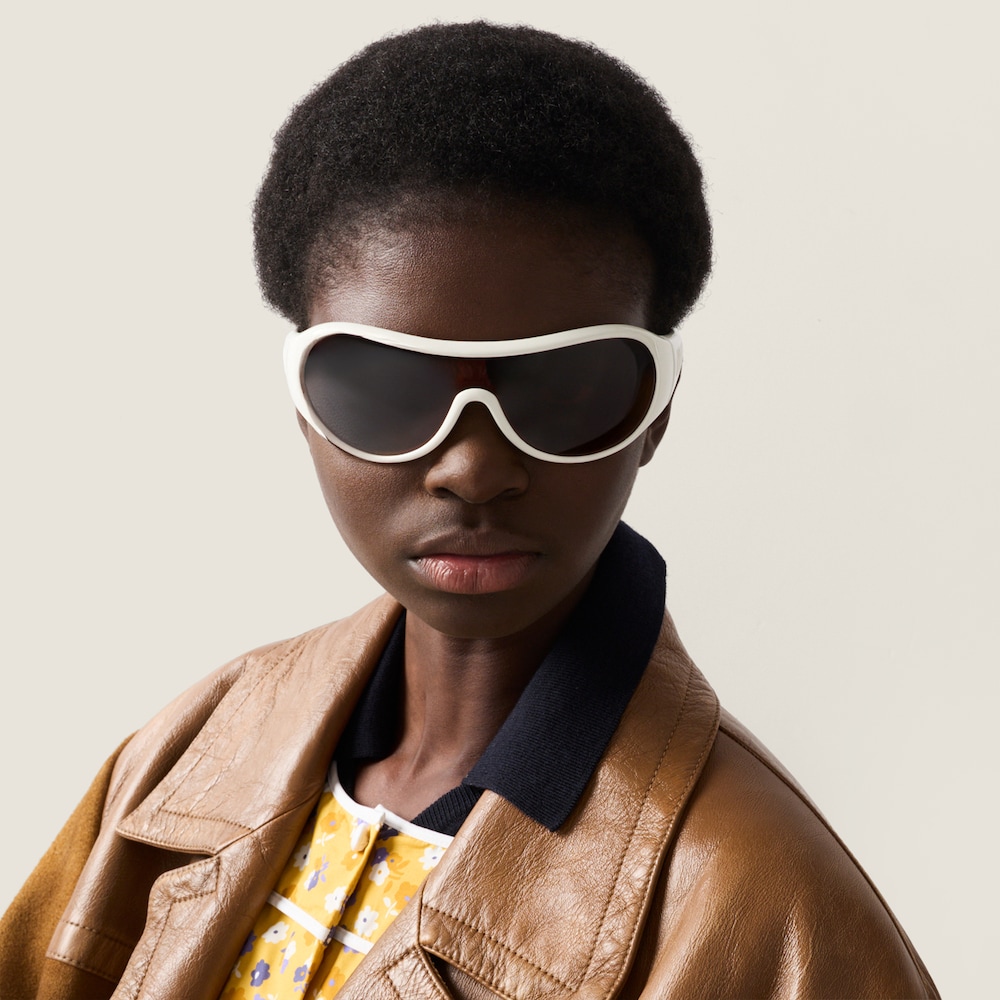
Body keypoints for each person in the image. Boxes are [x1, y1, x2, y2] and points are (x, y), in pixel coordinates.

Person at [0, 21, 938, 1000]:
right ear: (303, 404)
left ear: (653, 414)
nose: (474, 469)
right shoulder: (196, 752)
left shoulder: (768, 903)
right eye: (386, 386)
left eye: (564, 389)